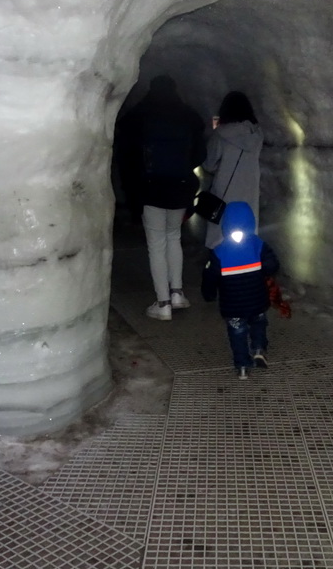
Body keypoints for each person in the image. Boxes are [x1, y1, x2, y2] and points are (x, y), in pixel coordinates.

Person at [116, 75, 206, 321]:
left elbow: (127, 156)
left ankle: (163, 302)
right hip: (179, 187)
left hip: (151, 188)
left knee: (156, 244)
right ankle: (177, 293)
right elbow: (200, 153)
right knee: (173, 237)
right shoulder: (187, 115)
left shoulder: (140, 115)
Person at [201, 201, 280, 380]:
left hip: (233, 306)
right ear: (251, 222)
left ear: (225, 224)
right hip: (257, 301)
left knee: (237, 333)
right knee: (259, 323)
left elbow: (209, 276)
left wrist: (209, 293)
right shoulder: (257, 245)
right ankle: (259, 349)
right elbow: (273, 265)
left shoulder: (219, 252)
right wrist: (263, 271)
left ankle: (243, 366)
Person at [202, 91, 263, 249]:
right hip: (250, 190)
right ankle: (246, 260)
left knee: (222, 232)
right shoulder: (257, 135)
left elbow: (209, 164)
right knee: (247, 226)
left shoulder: (220, 135)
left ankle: (222, 264)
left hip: (225, 192)